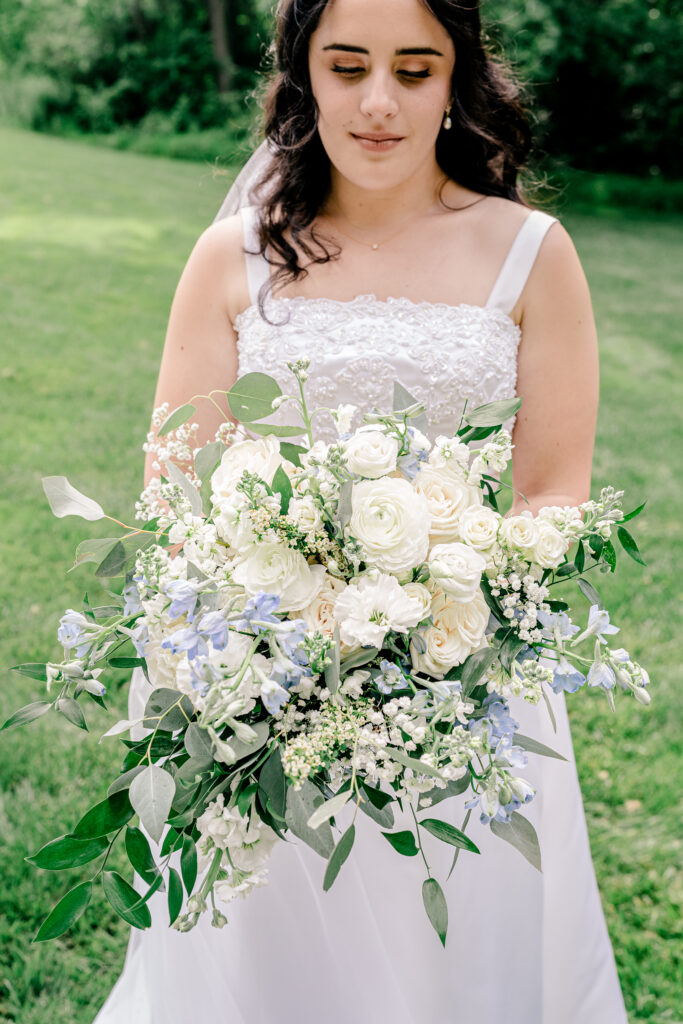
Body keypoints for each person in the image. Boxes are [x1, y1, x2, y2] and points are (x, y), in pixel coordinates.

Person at [95, 0, 629, 1021]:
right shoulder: (231, 258)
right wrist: (245, 643)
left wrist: (432, 615)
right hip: (261, 693)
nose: (378, 101)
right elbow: (169, 488)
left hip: (461, 690)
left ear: (454, 79)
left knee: (451, 969)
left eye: (413, 69)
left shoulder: (530, 254)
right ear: (303, 73)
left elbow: (554, 494)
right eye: (346, 66)